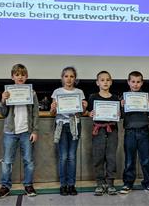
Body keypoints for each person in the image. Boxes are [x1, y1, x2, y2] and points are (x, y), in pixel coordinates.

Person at [0, 64, 39, 199]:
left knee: (29, 161)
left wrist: (35, 131)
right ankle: (5, 186)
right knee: (7, 161)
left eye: (23, 74)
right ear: (12, 77)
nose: (20, 77)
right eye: (17, 74)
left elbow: (35, 113)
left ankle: (28, 185)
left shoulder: (32, 93)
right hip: (10, 132)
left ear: (26, 76)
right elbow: (2, 113)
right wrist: (3, 100)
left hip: (27, 131)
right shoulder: (8, 92)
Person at [50, 66, 87, 196]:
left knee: (72, 157)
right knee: (63, 157)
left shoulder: (79, 92)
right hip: (61, 125)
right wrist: (53, 108)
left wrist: (84, 107)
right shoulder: (57, 92)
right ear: (62, 78)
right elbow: (52, 112)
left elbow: (82, 112)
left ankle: (71, 185)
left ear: (75, 78)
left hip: (75, 125)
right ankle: (63, 185)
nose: (69, 79)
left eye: (71, 76)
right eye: (66, 76)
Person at [119, 71, 149, 195]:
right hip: (130, 132)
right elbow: (121, 116)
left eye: (138, 82)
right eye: (133, 82)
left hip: (143, 131)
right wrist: (121, 106)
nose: (135, 84)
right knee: (129, 160)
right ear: (128, 82)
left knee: (146, 159)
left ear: (142, 83)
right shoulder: (124, 98)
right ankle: (128, 183)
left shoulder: (145, 97)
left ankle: (148, 183)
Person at [87, 71, 120, 196]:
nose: (105, 82)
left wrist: (119, 113)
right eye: (102, 80)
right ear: (97, 83)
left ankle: (110, 183)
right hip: (98, 130)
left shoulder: (116, 97)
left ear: (111, 82)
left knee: (111, 157)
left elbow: (120, 115)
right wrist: (89, 113)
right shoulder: (93, 97)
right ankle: (100, 183)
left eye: (107, 80)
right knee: (98, 156)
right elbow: (88, 112)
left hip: (112, 130)